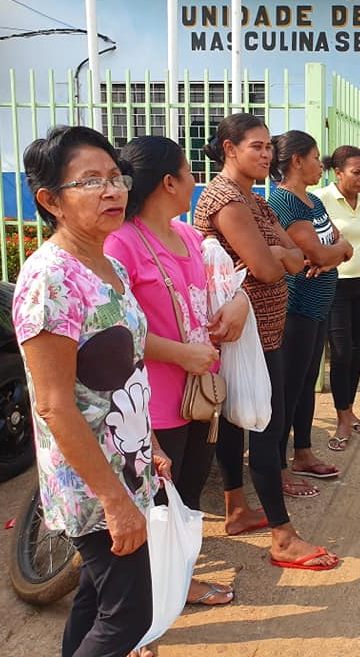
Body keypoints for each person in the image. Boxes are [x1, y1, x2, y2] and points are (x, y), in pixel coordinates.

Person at [13, 126, 171, 656]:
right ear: (50, 200)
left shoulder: (110, 265)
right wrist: (113, 501)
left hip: (127, 462)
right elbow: (54, 404)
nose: (112, 191)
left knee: (95, 596)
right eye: (90, 182)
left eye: (115, 177)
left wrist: (152, 447)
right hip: (92, 486)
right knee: (130, 616)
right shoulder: (50, 280)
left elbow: (128, 372)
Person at [104, 135, 251, 606]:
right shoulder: (120, 245)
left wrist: (239, 306)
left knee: (185, 502)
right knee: (154, 509)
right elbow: (111, 333)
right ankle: (140, 604)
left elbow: (229, 287)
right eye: (190, 171)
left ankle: (176, 583)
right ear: (169, 182)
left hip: (200, 398)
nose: (196, 180)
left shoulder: (190, 237)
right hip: (151, 406)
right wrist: (180, 354)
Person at [194, 114, 339, 570]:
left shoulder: (255, 201)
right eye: (255, 146)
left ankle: (237, 509)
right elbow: (272, 268)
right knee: (264, 426)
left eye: (267, 148)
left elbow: (298, 258)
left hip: (265, 330)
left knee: (244, 421)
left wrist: (280, 255)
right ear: (228, 148)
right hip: (246, 334)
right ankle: (283, 536)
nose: (264, 155)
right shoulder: (225, 199)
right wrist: (278, 256)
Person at [266, 131, 353, 489]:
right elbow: (316, 254)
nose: (322, 164)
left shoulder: (314, 202)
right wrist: (329, 255)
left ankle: (303, 452)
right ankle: (278, 466)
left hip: (319, 307)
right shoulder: (285, 203)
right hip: (297, 307)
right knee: (288, 387)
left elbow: (340, 245)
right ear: (297, 161)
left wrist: (330, 256)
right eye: (316, 157)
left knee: (305, 384)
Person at [314, 145, 360, 451]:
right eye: (356, 172)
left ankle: (349, 409)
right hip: (335, 285)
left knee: (356, 350)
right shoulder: (321, 199)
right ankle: (342, 418)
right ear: (337, 172)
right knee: (340, 352)